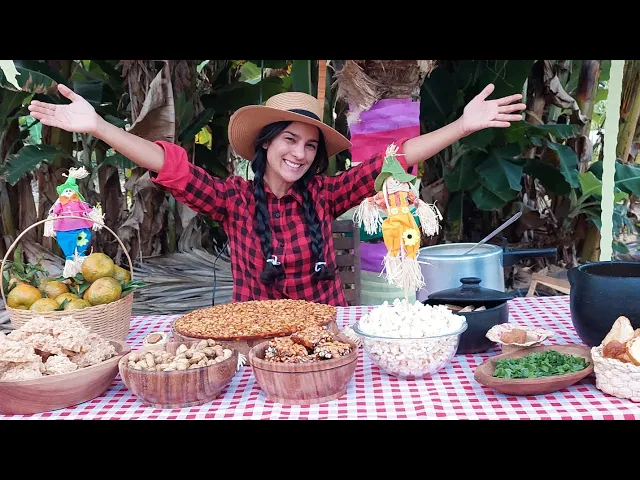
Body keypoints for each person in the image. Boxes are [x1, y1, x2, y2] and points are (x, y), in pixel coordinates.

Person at [27, 82, 526, 307]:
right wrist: (98, 126)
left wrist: (463, 125)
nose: (300, 153)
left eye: (310, 145)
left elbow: (392, 159)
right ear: (265, 143)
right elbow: (168, 164)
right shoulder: (232, 199)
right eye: (289, 139)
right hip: (256, 342)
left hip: (325, 336)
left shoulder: (325, 194)